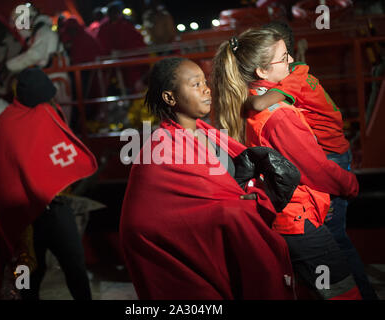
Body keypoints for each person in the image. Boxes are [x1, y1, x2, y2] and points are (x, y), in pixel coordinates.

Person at [120, 57, 303, 300]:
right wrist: (238, 207)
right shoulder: (161, 148)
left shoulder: (208, 133)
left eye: (205, 82)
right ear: (170, 98)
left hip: (228, 244)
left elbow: (220, 190)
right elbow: (143, 222)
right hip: (190, 262)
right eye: (195, 84)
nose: (206, 89)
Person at [212, 28, 361, 299]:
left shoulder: (239, 103)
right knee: (342, 290)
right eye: (283, 57)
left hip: (275, 214)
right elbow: (315, 169)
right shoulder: (278, 115)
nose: (291, 59)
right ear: (262, 72)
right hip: (299, 219)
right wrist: (350, 185)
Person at [245, 22, 379, 300]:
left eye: (288, 55)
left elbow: (259, 105)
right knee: (336, 241)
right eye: (284, 56)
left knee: (336, 240)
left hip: (331, 159)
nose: (290, 60)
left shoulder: (286, 85)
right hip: (329, 160)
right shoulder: (297, 77)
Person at [0, 67, 97, 300]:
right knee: (30, 277)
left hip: (53, 208)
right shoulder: (10, 120)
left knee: (73, 268)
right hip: (26, 218)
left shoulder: (40, 114)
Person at [6, 3, 72, 120]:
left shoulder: (44, 32)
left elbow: (34, 55)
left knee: (61, 118)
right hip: (52, 80)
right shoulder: (39, 32)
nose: (20, 28)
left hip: (56, 81)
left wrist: (9, 66)